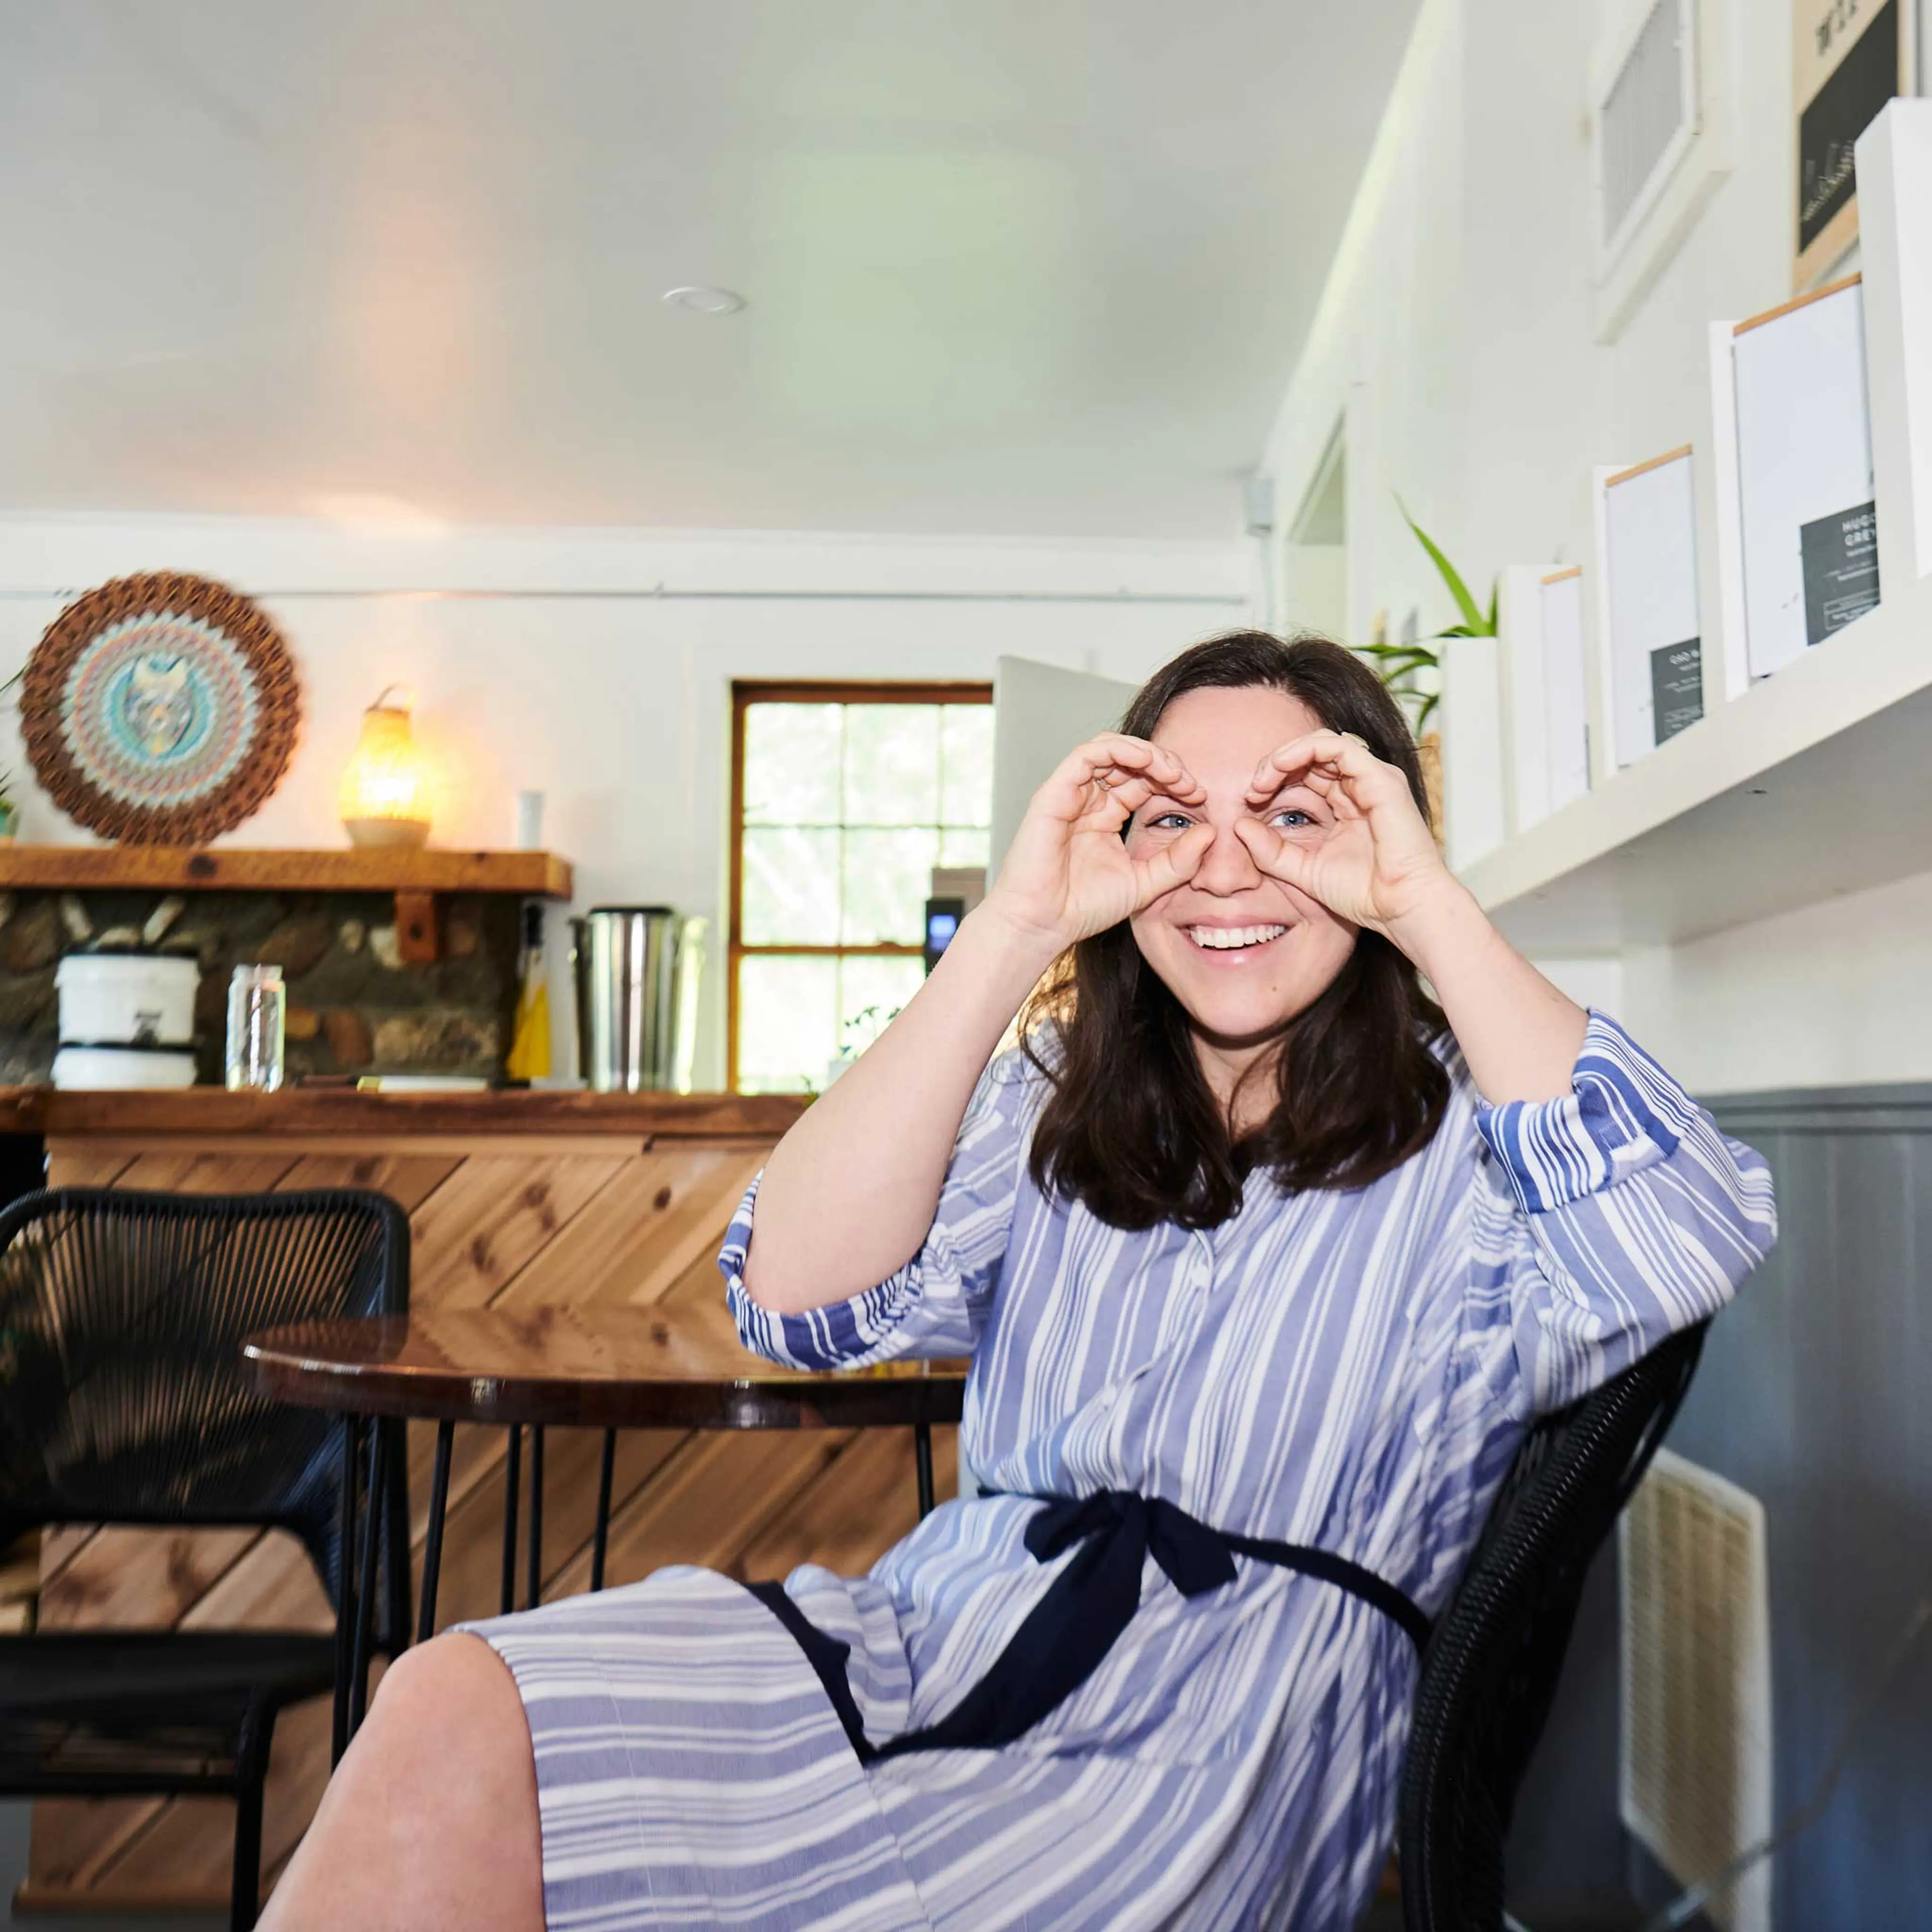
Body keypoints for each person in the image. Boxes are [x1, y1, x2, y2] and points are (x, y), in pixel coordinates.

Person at [262, 631, 1775, 1932]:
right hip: (929, 1640)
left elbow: (1682, 1242)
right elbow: (794, 1302)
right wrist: (1015, 928)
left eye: (1300, 815)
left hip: (1217, 1736)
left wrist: (1428, 904)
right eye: (1181, 822)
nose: (1234, 868)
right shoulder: (1061, 1098)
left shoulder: (1478, 1132)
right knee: (452, 1701)